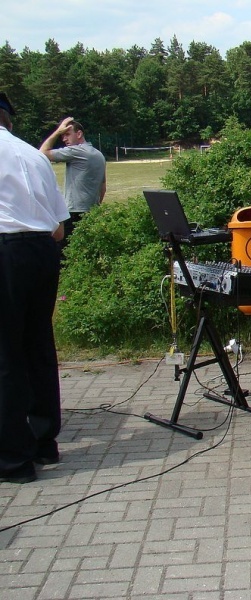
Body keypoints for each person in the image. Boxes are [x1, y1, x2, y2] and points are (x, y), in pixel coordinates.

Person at [0, 92, 69, 484]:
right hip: (41, 249)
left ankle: (12, 458)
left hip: (6, 249)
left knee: (6, 355)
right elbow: (59, 226)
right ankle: (44, 443)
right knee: (37, 345)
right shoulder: (31, 155)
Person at [39, 117, 106, 256]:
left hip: (73, 213)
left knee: (64, 255)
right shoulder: (99, 155)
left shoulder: (77, 152)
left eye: (67, 134)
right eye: (62, 135)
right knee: (86, 255)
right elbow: (103, 187)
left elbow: (43, 152)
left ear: (79, 134)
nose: (64, 139)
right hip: (92, 212)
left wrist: (57, 131)